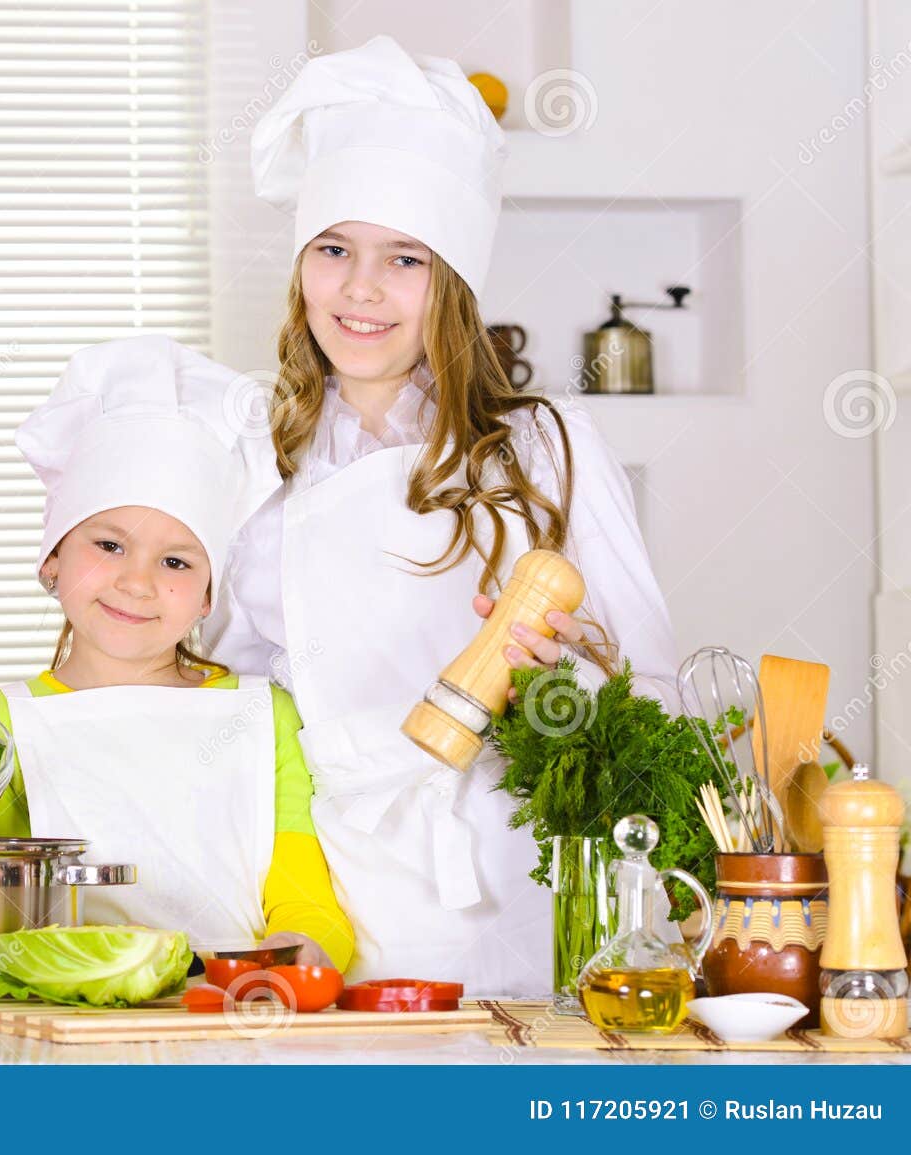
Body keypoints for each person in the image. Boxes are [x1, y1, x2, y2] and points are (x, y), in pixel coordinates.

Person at [204, 36, 678, 992]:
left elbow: (653, 690)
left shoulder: (547, 449)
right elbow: (237, 713)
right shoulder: (256, 466)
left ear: (452, 283)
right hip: (332, 889)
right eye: (333, 249)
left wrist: (575, 675)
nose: (361, 288)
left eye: (404, 259)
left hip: (524, 871)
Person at [0, 336, 354, 970]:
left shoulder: (263, 715)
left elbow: (303, 891)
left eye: (176, 561)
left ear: (207, 596)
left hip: (228, 1014)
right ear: (53, 560)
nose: (137, 582)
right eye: (109, 545)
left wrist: (306, 949)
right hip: (67, 1023)